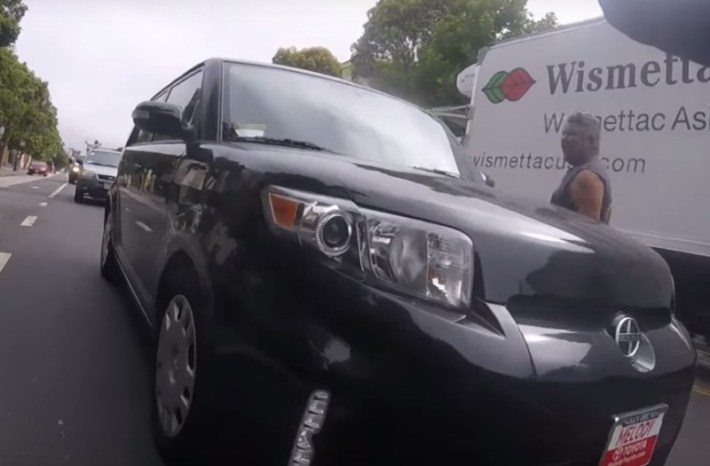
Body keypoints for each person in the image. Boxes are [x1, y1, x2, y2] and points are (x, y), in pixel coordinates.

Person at [550, 112, 612, 223]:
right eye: (564, 134)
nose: (564, 139)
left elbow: (587, 231)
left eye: (572, 135)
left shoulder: (587, 178)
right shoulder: (580, 172)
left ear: (591, 141)